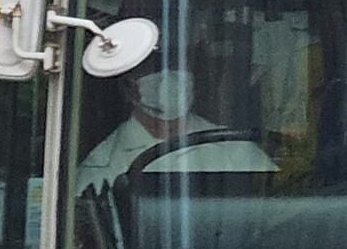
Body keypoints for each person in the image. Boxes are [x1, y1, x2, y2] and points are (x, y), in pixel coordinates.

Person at [75, 63, 275, 194]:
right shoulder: (101, 166)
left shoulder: (236, 149)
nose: (168, 77)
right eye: (152, 67)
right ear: (127, 86)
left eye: (175, 65)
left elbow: (281, 213)